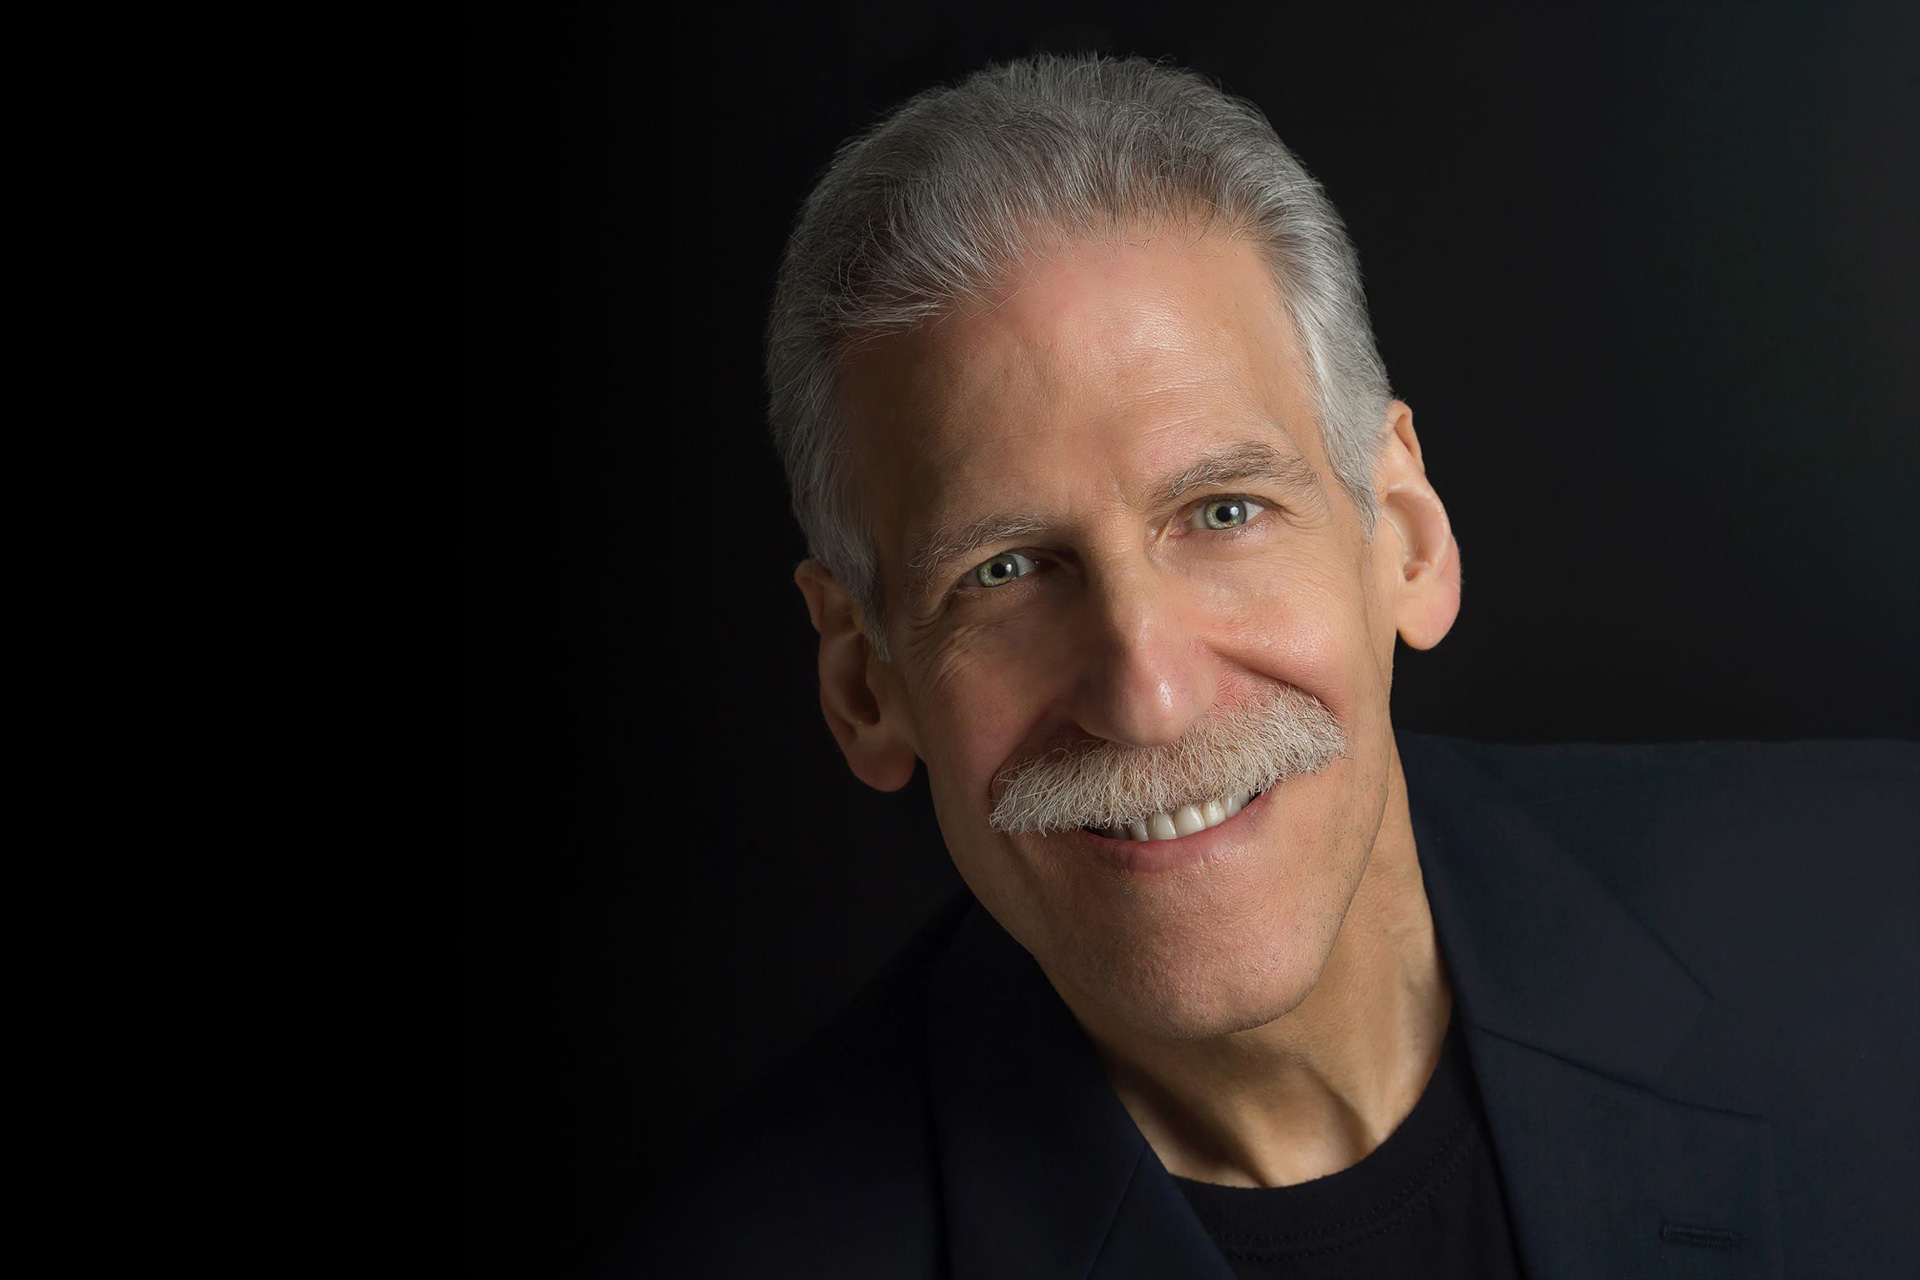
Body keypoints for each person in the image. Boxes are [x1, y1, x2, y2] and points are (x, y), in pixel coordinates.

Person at [651, 53, 1918, 1278]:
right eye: (1006, 570)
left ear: (1407, 537)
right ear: (864, 683)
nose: (1149, 697)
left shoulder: (1880, 927)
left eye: (1224, 511)